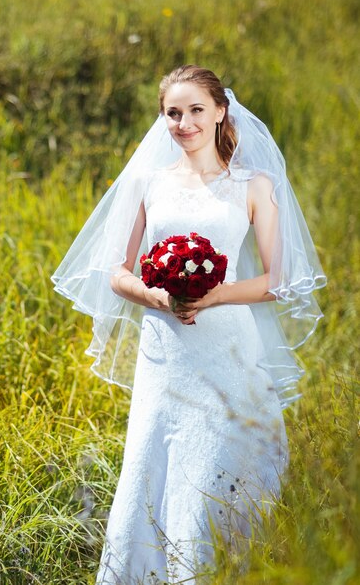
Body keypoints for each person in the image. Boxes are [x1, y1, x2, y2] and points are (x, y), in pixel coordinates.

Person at [52, 65, 325, 583]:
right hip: (166, 354)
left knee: (214, 474)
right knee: (157, 467)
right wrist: (156, 297)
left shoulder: (253, 184)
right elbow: (116, 271)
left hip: (227, 351)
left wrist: (216, 294)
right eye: (173, 113)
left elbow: (279, 276)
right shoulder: (147, 182)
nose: (184, 122)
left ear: (220, 111)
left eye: (196, 110)